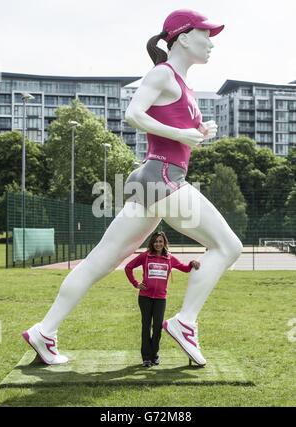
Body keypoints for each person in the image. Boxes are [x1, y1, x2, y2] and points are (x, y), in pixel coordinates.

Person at [22, 9, 242, 367]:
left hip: (152, 181)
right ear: (184, 37)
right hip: (164, 178)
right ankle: (185, 323)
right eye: (206, 34)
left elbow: (174, 130)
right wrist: (181, 134)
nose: (211, 42)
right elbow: (133, 114)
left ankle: (44, 331)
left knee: (99, 261)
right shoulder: (162, 73)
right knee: (228, 246)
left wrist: (199, 133)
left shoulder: (182, 85)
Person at [125, 231, 200, 367]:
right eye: (155, 241)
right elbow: (128, 267)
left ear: (164, 243)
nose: (158, 244)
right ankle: (146, 358)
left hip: (160, 299)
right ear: (152, 243)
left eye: (160, 241)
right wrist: (136, 283)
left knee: (158, 327)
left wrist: (192, 263)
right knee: (146, 327)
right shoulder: (145, 256)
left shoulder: (170, 258)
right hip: (145, 298)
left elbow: (185, 268)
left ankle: (154, 355)